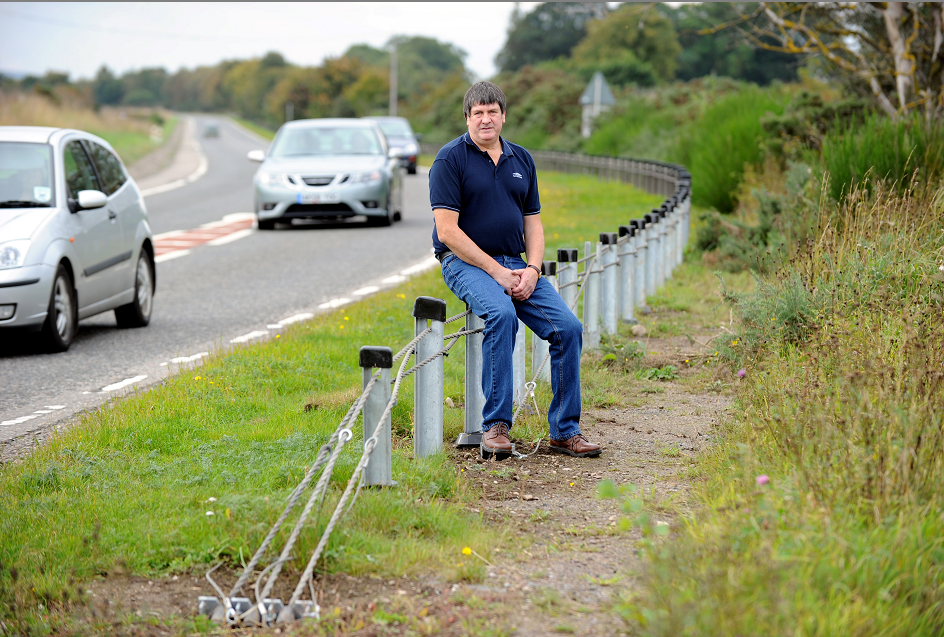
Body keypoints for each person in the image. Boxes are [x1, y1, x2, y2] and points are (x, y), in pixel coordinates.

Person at [429, 81, 602, 459]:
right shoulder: (449, 159)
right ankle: (496, 426)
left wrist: (533, 270)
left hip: (517, 263)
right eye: (478, 113)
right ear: (467, 118)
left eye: (493, 111)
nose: (486, 119)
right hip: (464, 263)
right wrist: (496, 273)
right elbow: (447, 231)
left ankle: (564, 431)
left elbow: (533, 223)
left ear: (504, 116)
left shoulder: (521, 159)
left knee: (568, 329)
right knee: (502, 314)